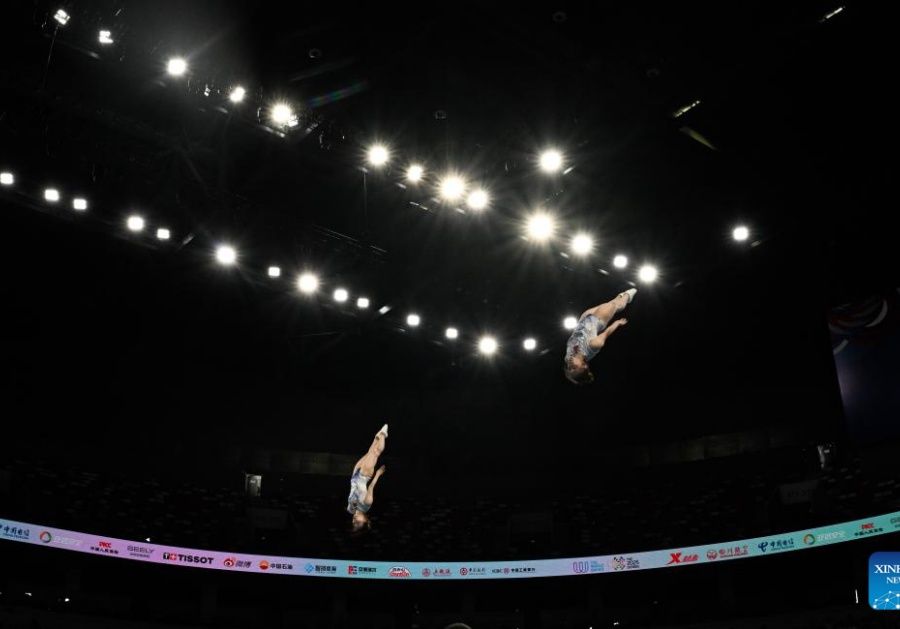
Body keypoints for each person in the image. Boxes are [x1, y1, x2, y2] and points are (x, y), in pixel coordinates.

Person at [563, 288, 637, 385]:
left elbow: (571, 365)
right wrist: (617, 323)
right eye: (574, 368)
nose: (571, 366)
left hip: (583, 320)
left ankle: (620, 296)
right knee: (615, 305)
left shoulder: (568, 359)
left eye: (570, 369)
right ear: (583, 365)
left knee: (611, 302)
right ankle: (627, 296)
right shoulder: (593, 346)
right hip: (599, 319)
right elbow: (605, 333)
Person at [347, 423, 389, 532]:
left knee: (369, 452)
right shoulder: (367, 504)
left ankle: (378, 436)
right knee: (375, 453)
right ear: (365, 519)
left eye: (353, 523)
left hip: (355, 474)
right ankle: (384, 434)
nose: (355, 520)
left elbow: (354, 494)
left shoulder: (351, 509)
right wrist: (378, 474)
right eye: (358, 522)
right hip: (365, 475)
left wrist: (354, 474)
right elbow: (370, 487)